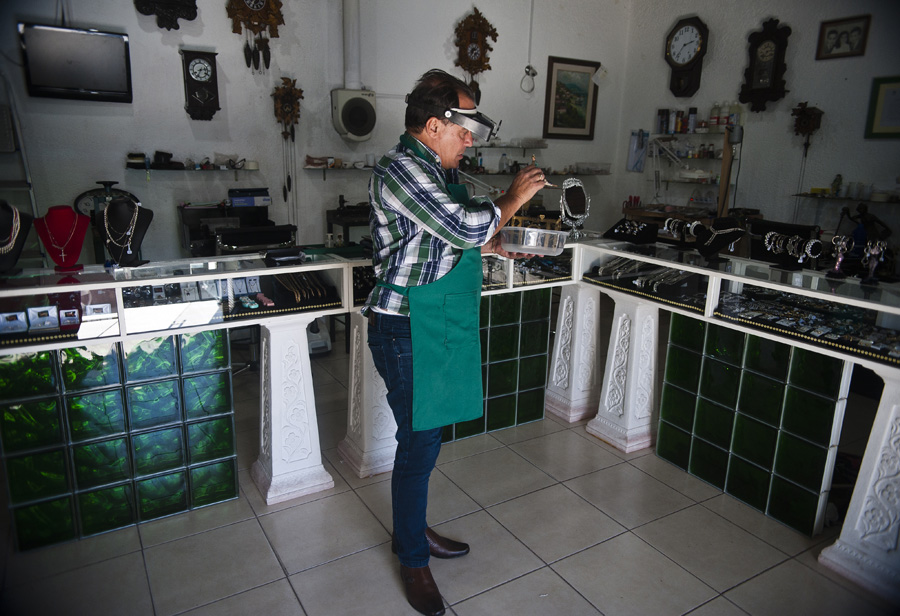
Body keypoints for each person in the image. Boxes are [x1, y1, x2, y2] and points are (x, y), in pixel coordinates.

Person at [363, 69, 545, 616]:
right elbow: (460, 227)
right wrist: (512, 199)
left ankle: (411, 531)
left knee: (428, 436)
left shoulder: (434, 174)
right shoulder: (399, 170)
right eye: (463, 130)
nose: (469, 141)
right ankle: (413, 557)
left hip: (432, 318)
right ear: (434, 125)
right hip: (403, 326)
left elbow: (443, 244)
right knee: (419, 443)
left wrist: (496, 248)